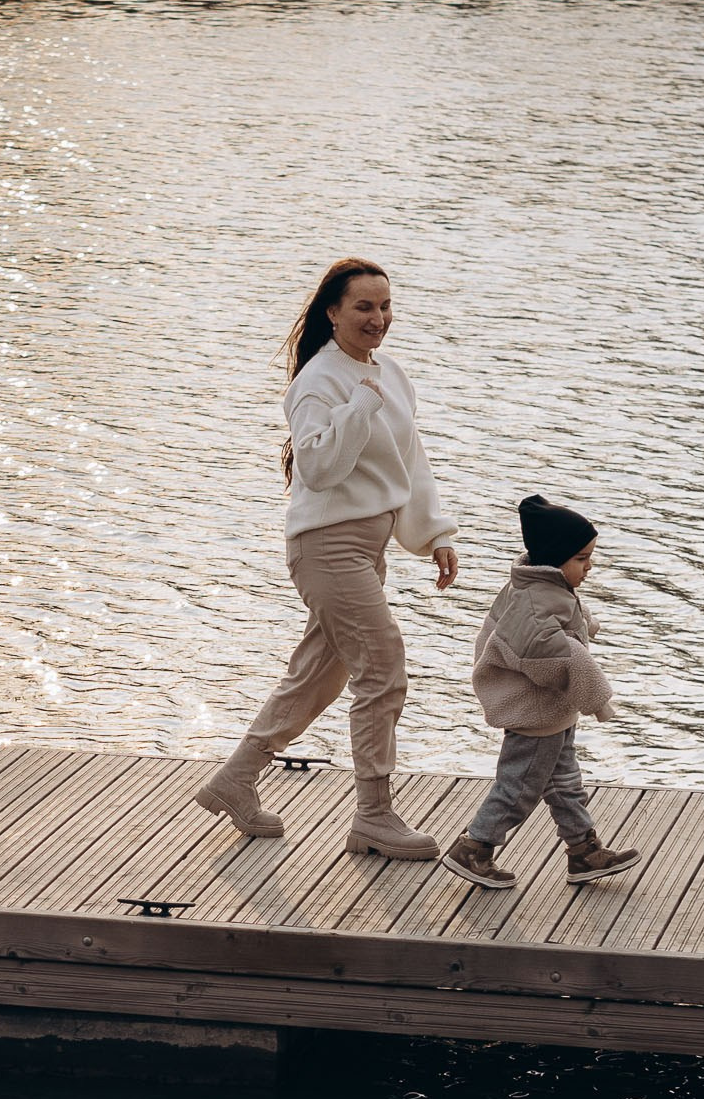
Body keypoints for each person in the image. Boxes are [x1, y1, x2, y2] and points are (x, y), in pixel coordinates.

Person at [194, 258, 460, 861]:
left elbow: (410, 465)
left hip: (368, 546)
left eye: (385, 306)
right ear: (332, 312)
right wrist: (358, 408)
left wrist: (436, 533)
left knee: (319, 675)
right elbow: (317, 466)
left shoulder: (388, 373)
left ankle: (236, 779)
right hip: (328, 546)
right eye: (363, 307)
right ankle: (373, 816)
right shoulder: (317, 381)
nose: (378, 319)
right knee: (383, 668)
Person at [440, 495, 641, 888]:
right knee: (518, 788)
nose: (589, 566)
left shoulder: (542, 585)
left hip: (553, 712)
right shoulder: (534, 602)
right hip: (534, 714)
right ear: (555, 557)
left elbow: (570, 622)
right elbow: (557, 656)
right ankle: (475, 847)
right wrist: (598, 698)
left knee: (565, 782)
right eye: (582, 559)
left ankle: (583, 851)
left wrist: (587, 626)